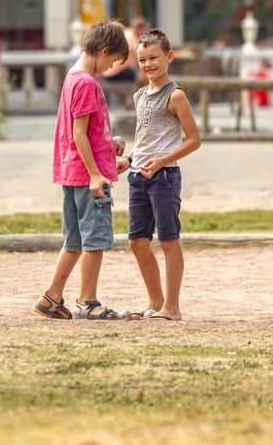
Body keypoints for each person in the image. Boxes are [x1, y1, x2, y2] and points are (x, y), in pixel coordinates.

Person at [34, 19, 133, 321]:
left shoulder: (72, 77)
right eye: (111, 62)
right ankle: (88, 301)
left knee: (74, 241)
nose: (109, 68)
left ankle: (52, 297)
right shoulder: (87, 82)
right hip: (88, 177)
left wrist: (109, 148)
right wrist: (95, 174)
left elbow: (86, 132)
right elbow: (79, 134)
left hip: (73, 172)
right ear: (103, 51)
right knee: (95, 240)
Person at [121, 29, 201, 322]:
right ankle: (155, 302)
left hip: (164, 177)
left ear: (169, 56)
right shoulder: (139, 95)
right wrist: (128, 160)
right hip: (138, 176)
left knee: (168, 240)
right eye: (142, 60)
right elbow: (144, 139)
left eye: (153, 58)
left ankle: (172, 307)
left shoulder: (176, 96)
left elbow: (194, 140)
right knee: (137, 242)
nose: (148, 64)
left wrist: (162, 162)